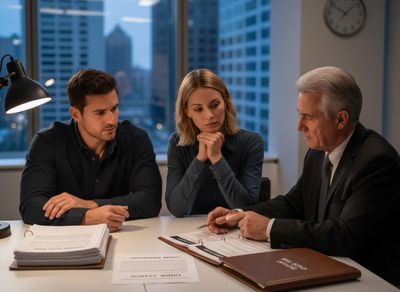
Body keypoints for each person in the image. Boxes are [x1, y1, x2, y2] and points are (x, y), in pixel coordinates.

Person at [206, 66, 400, 285]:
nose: (299, 126)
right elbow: (294, 203)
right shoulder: (318, 152)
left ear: (341, 120)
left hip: (370, 281)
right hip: (328, 268)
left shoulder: (376, 162)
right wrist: (238, 215)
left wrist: (269, 228)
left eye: (308, 117)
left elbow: (346, 236)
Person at [20, 69, 162, 232]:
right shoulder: (47, 142)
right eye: (100, 113)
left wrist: (88, 205)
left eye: (114, 108)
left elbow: (150, 200)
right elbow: (30, 206)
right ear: (76, 114)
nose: (111, 120)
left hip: (123, 237)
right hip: (64, 240)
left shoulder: (136, 139)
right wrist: (85, 217)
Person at [166, 68, 264, 217]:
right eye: (198, 109)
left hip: (238, 232)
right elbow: (176, 208)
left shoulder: (251, 142)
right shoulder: (177, 144)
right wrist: (200, 159)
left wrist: (217, 158)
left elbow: (246, 206)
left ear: (225, 102)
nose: (209, 115)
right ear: (187, 112)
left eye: (214, 105)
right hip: (193, 232)